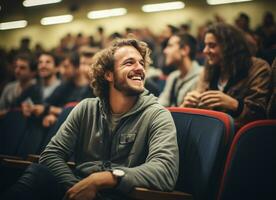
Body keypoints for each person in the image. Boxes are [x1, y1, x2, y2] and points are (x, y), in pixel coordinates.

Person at [2, 38, 179, 200]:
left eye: (141, 63)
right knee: (38, 173)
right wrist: (76, 187)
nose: (140, 68)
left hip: (120, 194)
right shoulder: (86, 108)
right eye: (129, 63)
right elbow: (51, 155)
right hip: (79, 188)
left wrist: (106, 178)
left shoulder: (157, 114)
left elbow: (165, 170)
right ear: (108, 75)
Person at [182, 23, 271, 129]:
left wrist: (234, 105)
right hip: (212, 132)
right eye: (205, 45)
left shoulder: (258, 67)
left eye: (212, 45)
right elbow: (200, 109)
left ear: (230, 47)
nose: (205, 51)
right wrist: (188, 105)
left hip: (240, 136)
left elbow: (259, 115)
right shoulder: (209, 68)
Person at [158, 32, 202, 107]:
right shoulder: (173, 76)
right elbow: (161, 105)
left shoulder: (201, 77)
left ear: (184, 50)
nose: (165, 51)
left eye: (170, 46)